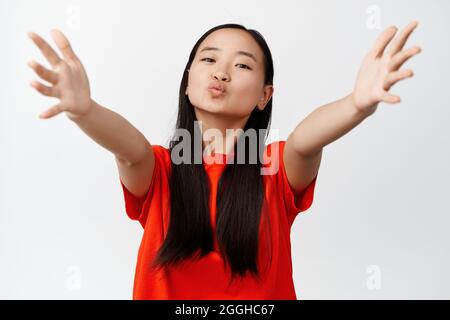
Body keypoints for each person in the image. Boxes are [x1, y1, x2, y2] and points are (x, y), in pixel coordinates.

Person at [27, 21, 421, 299]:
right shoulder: (162, 170)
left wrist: (355, 104)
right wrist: (84, 110)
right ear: (187, 82)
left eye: (243, 64)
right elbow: (129, 147)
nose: (222, 73)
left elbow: (305, 140)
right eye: (209, 59)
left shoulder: (275, 169)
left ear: (264, 96)